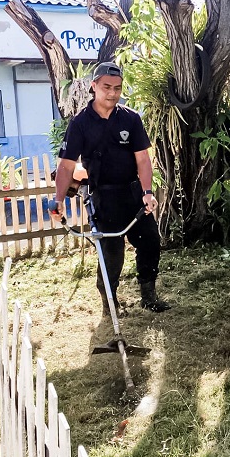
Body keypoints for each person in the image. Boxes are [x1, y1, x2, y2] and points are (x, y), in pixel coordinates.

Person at [52, 62, 170, 314]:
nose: (112, 93)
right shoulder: (80, 124)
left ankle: (149, 296)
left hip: (133, 193)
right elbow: (66, 166)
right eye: (107, 87)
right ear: (94, 86)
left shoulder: (130, 119)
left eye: (117, 88)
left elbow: (143, 159)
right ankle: (110, 301)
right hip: (104, 197)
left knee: (150, 241)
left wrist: (147, 192)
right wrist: (59, 199)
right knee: (112, 252)